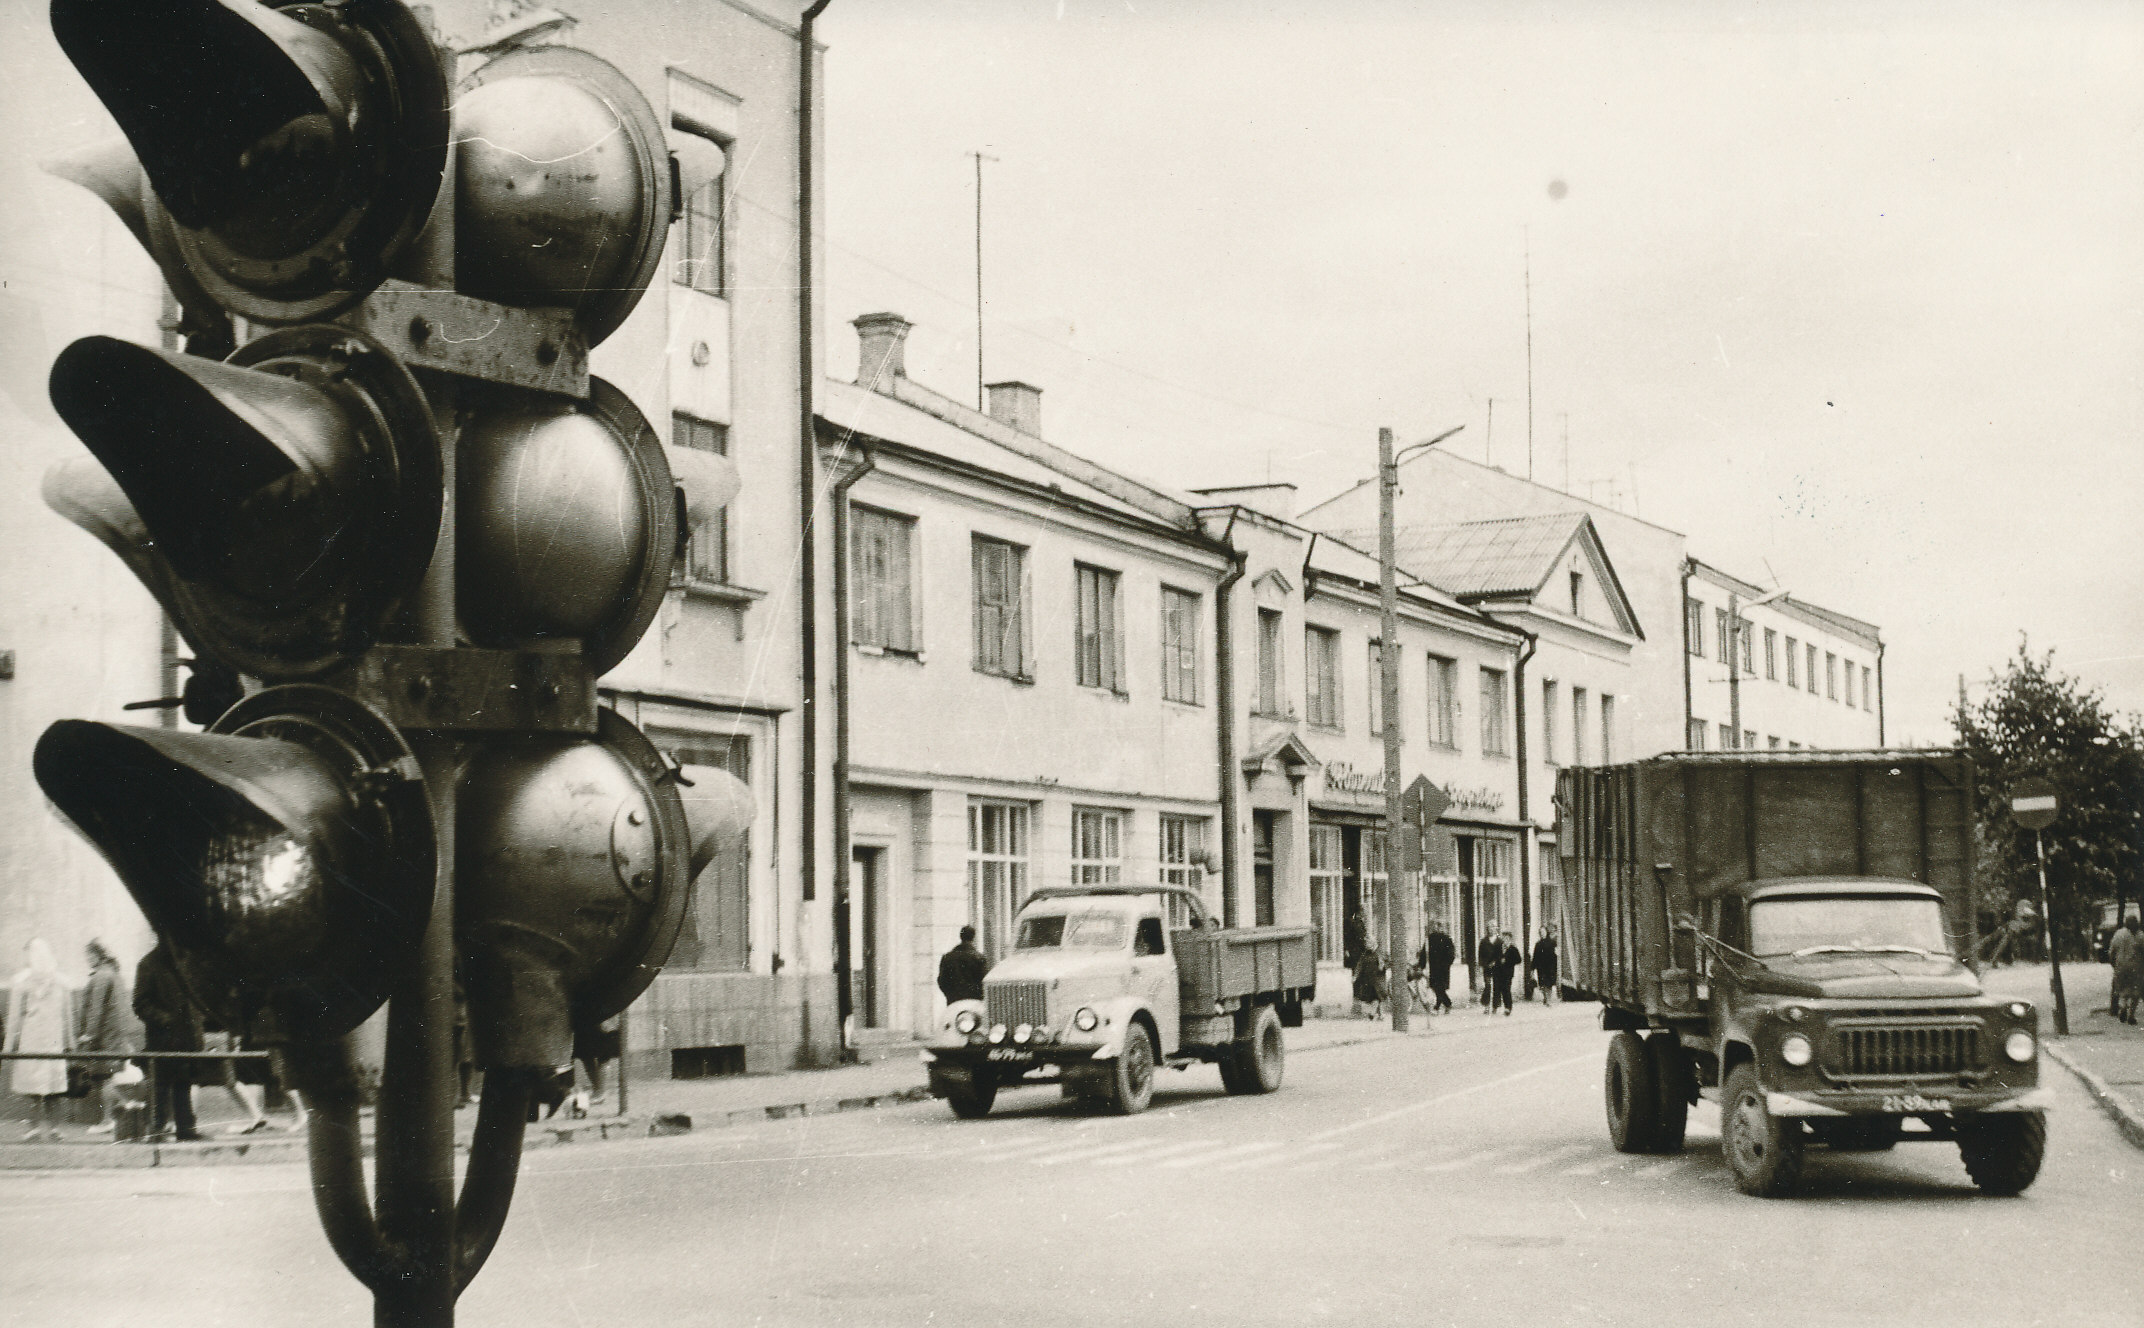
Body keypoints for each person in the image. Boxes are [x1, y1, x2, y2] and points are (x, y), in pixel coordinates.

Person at [5, 939, 75, 1140]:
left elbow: (14, 1018)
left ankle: (39, 1127)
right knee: (49, 1087)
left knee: (38, 1086)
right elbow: (67, 1015)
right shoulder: (58, 982)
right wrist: (71, 1043)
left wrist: (9, 1046)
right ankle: (50, 1128)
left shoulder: (24, 982)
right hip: (48, 1040)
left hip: (35, 1039)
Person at [133, 942, 202, 1142]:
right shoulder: (148, 964)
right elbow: (140, 1004)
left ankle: (185, 1128)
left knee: (184, 1083)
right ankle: (157, 1129)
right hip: (163, 1037)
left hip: (187, 1036)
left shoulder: (187, 960)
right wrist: (165, 1019)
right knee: (160, 1084)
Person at [76, 940, 133, 1135]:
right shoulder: (114, 974)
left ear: (97, 955)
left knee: (104, 1078)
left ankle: (109, 1119)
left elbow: (96, 1009)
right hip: (114, 1036)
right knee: (105, 1078)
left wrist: (88, 1035)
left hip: (103, 1038)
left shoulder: (101, 976)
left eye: (89, 956)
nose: (87, 960)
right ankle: (126, 1106)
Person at [937, 926, 988, 1005]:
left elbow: (942, 981)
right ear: (973, 938)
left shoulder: (948, 957)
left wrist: (950, 995)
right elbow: (984, 981)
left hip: (953, 1002)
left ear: (960, 937)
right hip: (974, 1002)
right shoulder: (979, 958)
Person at [2109, 916, 2143, 1026]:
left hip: (2120, 967)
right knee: (2136, 992)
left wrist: (2114, 964)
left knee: (2122, 989)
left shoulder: (2118, 934)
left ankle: (2123, 1006)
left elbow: (2111, 952)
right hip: (2136, 967)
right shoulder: (2140, 936)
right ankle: (2131, 1016)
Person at [1422, 923, 1455, 1013]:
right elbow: (1424, 953)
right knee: (1436, 987)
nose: (1437, 929)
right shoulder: (1430, 939)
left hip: (1443, 968)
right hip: (1433, 967)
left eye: (1439, 927)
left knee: (1440, 987)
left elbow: (1451, 954)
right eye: (1435, 927)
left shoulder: (1447, 939)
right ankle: (1447, 1004)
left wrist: (1447, 963)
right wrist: (1422, 965)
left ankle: (1437, 1007)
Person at [1490, 931, 1523, 1015]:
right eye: (1504, 938)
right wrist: (1494, 962)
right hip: (1497, 972)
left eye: (1507, 938)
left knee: (1506, 990)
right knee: (1496, 989)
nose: (1505, 940)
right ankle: (1495, 1007)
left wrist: (1508, 961)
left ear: (1510, 939)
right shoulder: (1498, 947)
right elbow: (1493, 957)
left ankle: (1508, 1007)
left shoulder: (1513, 949)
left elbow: (1519, 960)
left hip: (1508, 973)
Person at [1353, 946, 1387, 1019]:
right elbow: (1359, 965)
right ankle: (1381, 1014)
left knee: (1377, 996)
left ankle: (1373, 1013)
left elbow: (1384, 964)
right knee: (1373, 996)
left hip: (1378, 979)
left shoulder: (1379, 953)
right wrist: (1355, 976)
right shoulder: (1364, 955)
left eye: (1370, 943)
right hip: (1368, 979)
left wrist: (1382, 966)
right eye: (1367, 943)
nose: (1368, 945)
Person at [1531, 928, 1560, 1006]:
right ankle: (1545, 997)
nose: (1542, 933)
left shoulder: (1553, 943)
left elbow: (1556, 954)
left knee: (1549, 983)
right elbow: (1535, 956)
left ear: (1546, 932)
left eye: (1543, 932)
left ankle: (1548, 999)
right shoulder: (1538, 944)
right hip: (1541, 967)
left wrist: (1556, 964)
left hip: (1550, 966)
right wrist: (1532, 968)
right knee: (1542, 984)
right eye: (1541, 932)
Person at [1477, 926, 1501, 1012]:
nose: (1491, 930)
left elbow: (1501, 954)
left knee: (1496, 986)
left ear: (1496, 929)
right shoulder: (1484, 941)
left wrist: (1496, 961)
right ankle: (1486, 1005)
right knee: (1488, 985)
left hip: (1497, 967)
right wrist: (1481, 966)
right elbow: (1480, 955)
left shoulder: (1499, 941)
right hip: (1486, 967)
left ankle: (1495, 1006)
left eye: (1493, 928)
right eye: (1490, 928)